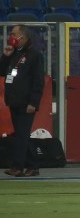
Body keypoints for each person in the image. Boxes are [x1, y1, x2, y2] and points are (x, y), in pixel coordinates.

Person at [0, 24, 45, 177]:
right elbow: (1, 71)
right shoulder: (14, 53)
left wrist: (33, 102)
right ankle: (33, 166)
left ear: (23, 37)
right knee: (22, 134)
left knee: (21, 135)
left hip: (26, 102)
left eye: (13, 34)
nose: (11, 37)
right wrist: (5, 56)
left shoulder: (35, 55)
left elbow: (38, 81)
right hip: (14, 100)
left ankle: (18, 166)